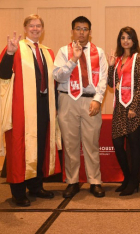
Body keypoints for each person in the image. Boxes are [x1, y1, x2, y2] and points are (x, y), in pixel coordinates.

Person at [0, 14, 61, 207]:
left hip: (43, 105)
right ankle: (18, 192)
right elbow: (3, 75)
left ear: (42, 29)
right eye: (31, 26)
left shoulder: (48, 52)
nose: (35, 29)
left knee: (40, 145)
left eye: (38, 26)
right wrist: (9, 54)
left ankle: (36, 186)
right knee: (19, 147)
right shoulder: (15, 48)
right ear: (25, 28)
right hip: (21, 107)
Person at [53, 16, 108, 198]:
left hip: (90, 101)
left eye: (85, 29)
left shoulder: (98, 52)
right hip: (67, 100)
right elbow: (58, 77)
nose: (81, 32)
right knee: (70, 144)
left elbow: (103, 79)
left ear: (90, 32)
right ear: (72, 31)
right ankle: (72, 181)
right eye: (78, 28)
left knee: (92, 142)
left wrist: (98, 99)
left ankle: (94, 181)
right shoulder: (63, 51)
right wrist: (73, 60)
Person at [107, 27, 140, 196]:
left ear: (134, 40)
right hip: (119, 109)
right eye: (123, 37)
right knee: (117, 144)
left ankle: (133, 181)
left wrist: (134, 107)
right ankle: (128, 177)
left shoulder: (139, 59)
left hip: (133, 108)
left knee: (133, 145)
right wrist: (110, 67)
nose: (126, 41)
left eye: (129, 38)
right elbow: (111, 84)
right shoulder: (117, 61)